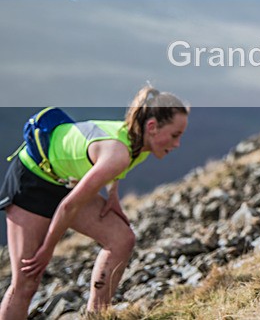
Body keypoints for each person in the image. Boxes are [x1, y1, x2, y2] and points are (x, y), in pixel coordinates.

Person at [0, 86, 189, 318]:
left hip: (66, 181)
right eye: (175, 135)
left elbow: (110, 163)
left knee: (122, 239)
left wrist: (113, 195)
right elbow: (69, 206)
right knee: (26, 282)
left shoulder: (139, 143)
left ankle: (96, 315)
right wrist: (47, 249)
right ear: (152, 127)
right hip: (31, 182)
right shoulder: (120, 153)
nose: (178, 144)